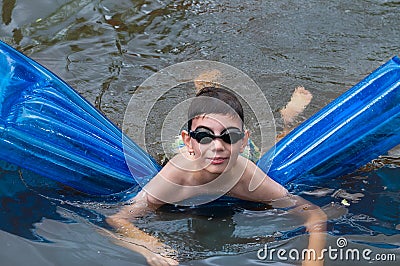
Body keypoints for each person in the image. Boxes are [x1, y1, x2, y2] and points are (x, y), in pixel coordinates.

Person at [105, 85, 326, 266]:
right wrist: (150, 246)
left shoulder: (248, 176)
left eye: (229, 135)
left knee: (276, 149)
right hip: (187, 154)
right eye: (204, 136)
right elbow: (118, 218)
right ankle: (203, 86)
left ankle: (289, 115)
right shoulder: (176, 176)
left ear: (243, 139)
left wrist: (313, 259)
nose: (217, 146)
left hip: (242, 156)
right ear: (189, 140)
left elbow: (315, 215)